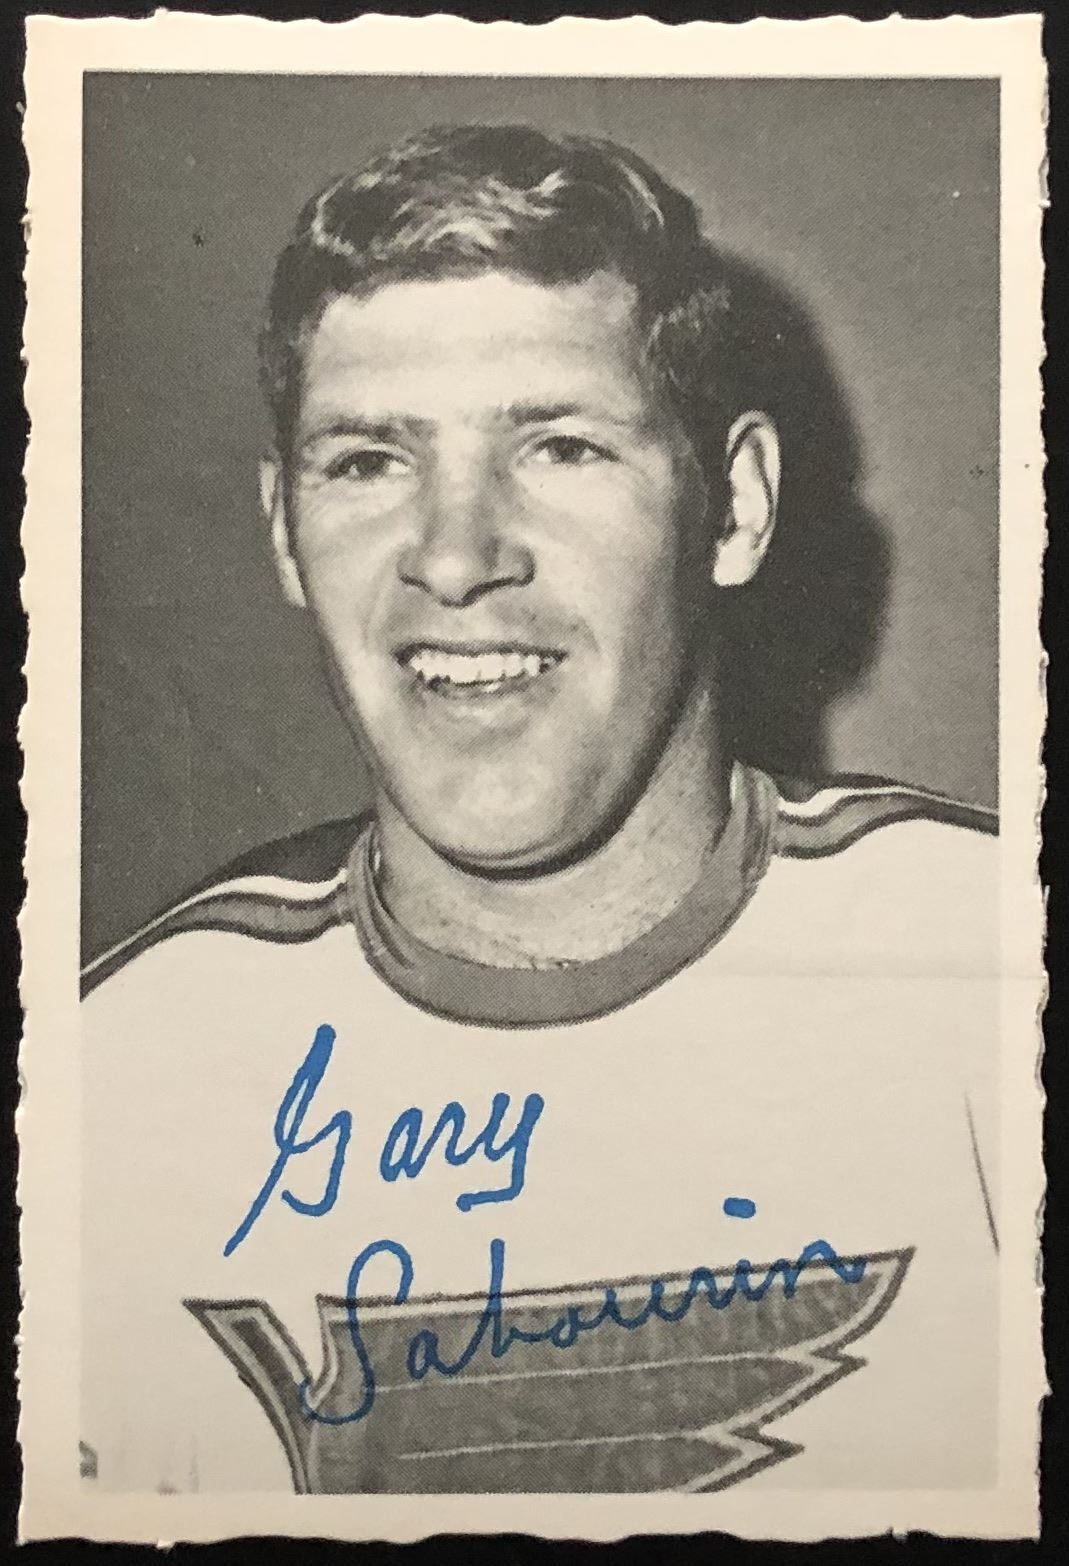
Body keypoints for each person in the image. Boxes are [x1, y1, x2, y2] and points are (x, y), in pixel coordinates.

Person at [81, 124, 999, 1496]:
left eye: (560, 446)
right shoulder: (116, 1070)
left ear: (734, 509)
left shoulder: (990, 966)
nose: (455, 559)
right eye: (367, 461)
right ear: (282, 531)